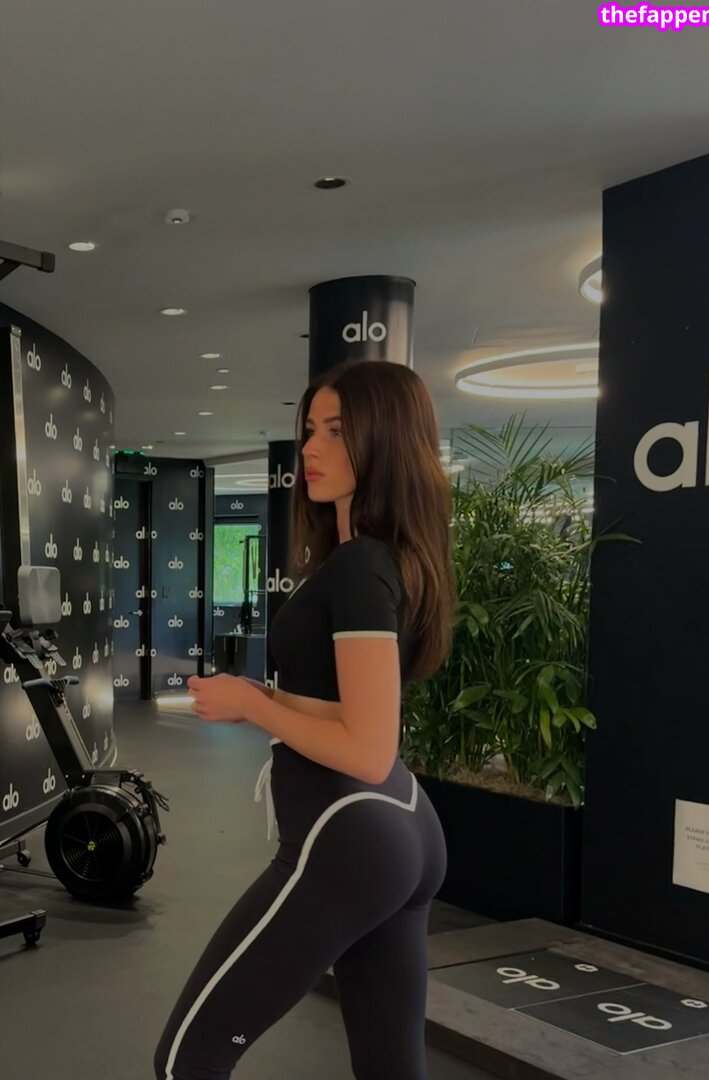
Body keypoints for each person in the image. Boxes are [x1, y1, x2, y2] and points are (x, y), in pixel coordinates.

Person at [154, 359, 458, 1080]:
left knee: (187, 1059)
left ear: (386, 440)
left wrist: (255, 705)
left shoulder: (361, 567)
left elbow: (368, 748)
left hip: (347, 833)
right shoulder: (378, 561)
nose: (312, 450)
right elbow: (343, 710)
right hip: (398, 828)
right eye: (311, 430)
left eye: (338, 432)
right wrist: (260, 696)